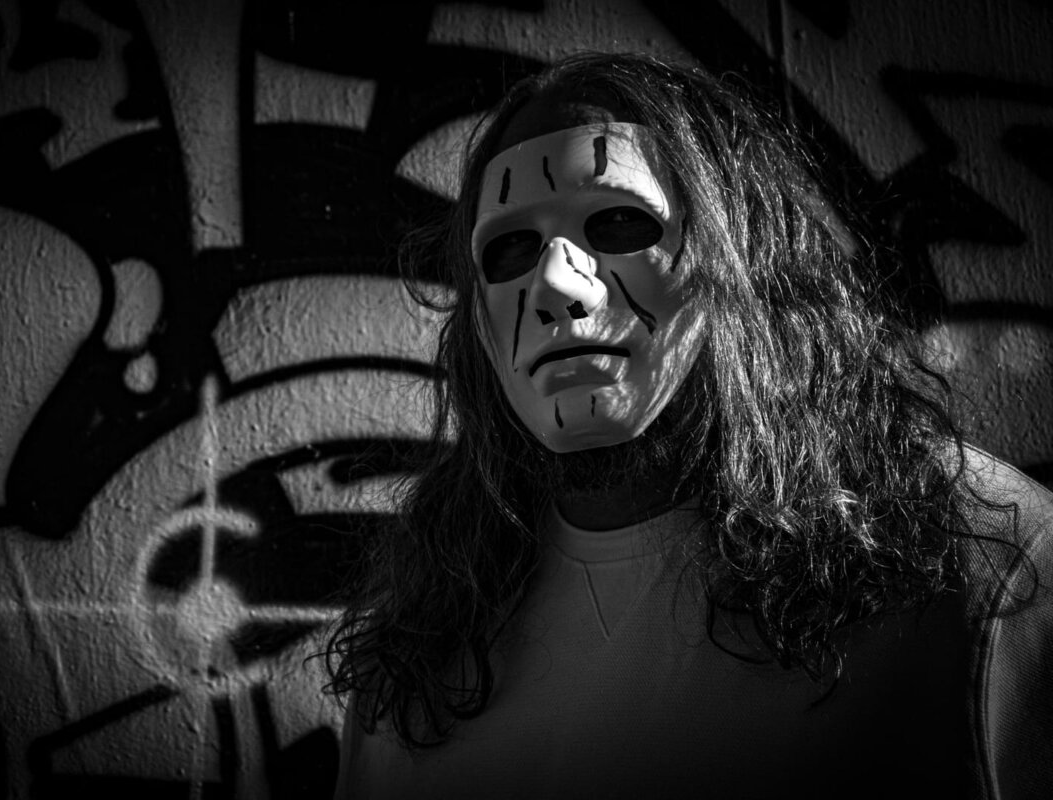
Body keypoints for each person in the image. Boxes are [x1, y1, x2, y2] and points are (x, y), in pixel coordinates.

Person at [324, 52, 1053, 798]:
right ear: (476, 317)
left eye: (618, 222)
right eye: (510, 248)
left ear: (743, 258)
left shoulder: (983, 567)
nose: (555, 285)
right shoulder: (417, 652)